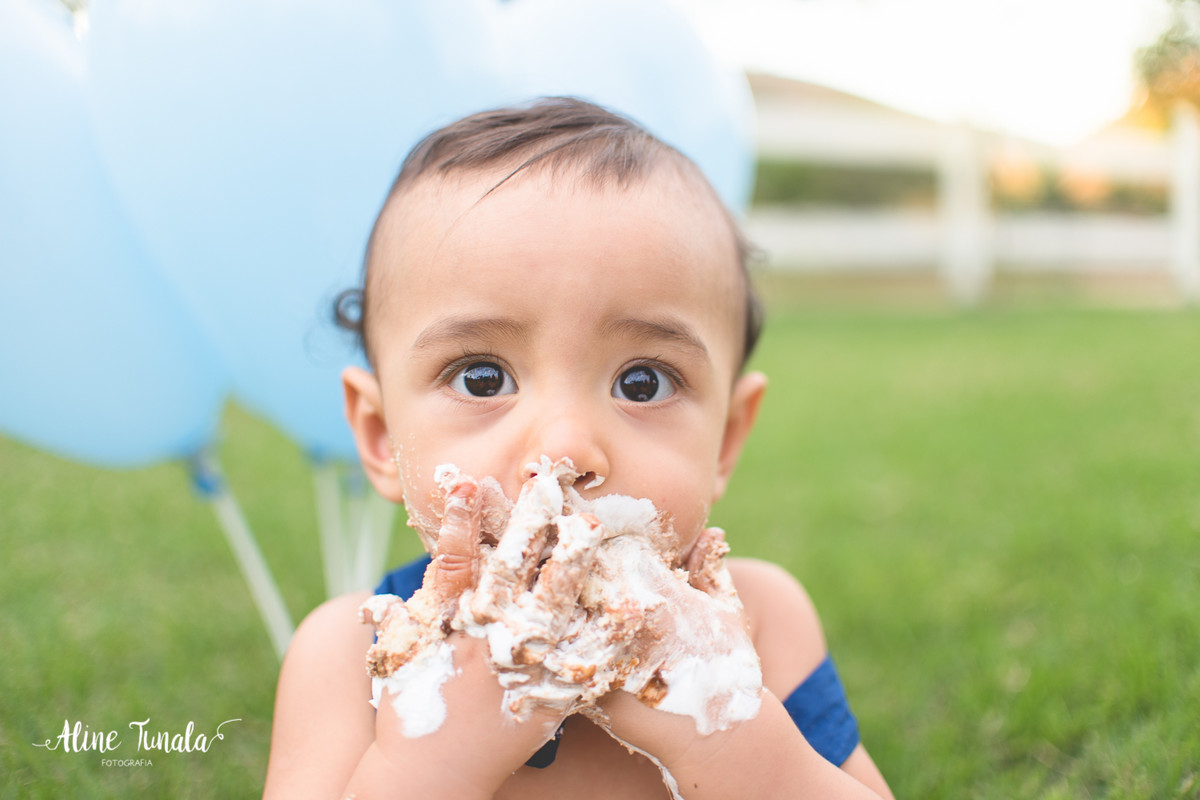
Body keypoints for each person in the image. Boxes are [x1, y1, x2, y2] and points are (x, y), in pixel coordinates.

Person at [263, 97, 894, 800]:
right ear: (382, 438)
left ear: (726, 438)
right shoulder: (349, 661)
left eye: (643, 382)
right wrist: (428, 768)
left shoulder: (760, 625)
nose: (564, 449)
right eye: (483, 376)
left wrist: (736, 738)